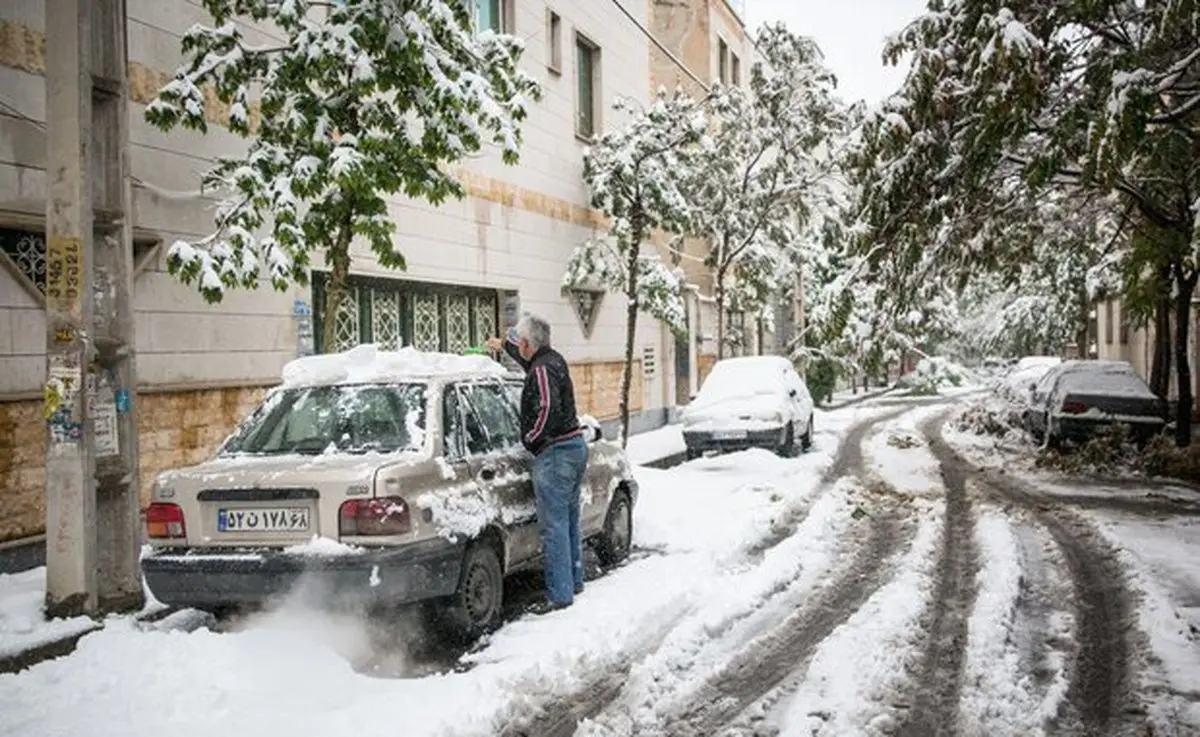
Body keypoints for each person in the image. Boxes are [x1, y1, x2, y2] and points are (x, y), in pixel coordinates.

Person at [486, 315, 587, 612]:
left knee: (553, 528)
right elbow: (529, 360)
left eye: (521, 341)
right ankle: (574, 581)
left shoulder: (541, 370)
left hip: (555, 453)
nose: (520, 345)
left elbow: (546, 408)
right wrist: (505, 345)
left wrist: (531, 438)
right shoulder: (552, 360)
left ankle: (559, 596)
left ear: (529, 343)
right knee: (567, 522)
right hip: (573, 448)